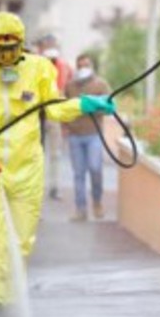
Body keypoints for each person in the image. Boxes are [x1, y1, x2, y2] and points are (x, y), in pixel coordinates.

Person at [0, 12, 116, 317]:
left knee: (22, 236)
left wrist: (84, 104)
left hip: (28, 166)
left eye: (12, 49)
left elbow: (52, 108)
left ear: (21, 45)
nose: (7, 56)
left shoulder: (39, 67)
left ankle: (12, 296)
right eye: (0, 50)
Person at [63, 54, 112, 222]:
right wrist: (66, 126)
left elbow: (109, 107)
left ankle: (97, 202)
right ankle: (80, 209)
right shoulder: (70, 86)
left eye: (86, 65)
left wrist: (92, 106)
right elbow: (64, 107)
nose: (83, 68)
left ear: (91, 66)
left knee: (95, 168)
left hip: (94, 135)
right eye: (80, 65)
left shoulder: (100, 84)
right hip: (75, 136)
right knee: (78, 174)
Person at [39, 43, 73, 200]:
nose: (52, 62)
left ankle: (55, 187)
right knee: (37, 155)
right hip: (38, 117)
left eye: (54, 59)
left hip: (54, 117)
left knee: (55, 155)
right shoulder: (36, 70)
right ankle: (37, 187)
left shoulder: (64, 69)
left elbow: (66, 93)